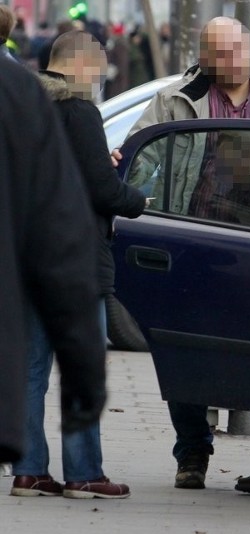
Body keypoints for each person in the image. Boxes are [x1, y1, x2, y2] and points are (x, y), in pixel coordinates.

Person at [122, 16, 250, 496]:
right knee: (186, 349)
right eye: (219, 53)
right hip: (196, 243)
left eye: (237, 51)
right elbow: (141, 159)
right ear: (205, 55)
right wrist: (122, 177)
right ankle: (192, 450)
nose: (230, 61)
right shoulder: (173, 101)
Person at [10, 30, 146, 499]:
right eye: (101, 64)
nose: (104, 74)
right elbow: (101, 191)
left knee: (30, 368)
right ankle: (84, 473)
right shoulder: (79, 109)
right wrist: (138, 199)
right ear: (81, 64)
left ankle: (28, 471)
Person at [0, 57, 106, 473]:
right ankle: (65, 470)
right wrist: (84, 374)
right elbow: (56, 236)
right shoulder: (17, 94)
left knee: (31, 371)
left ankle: (31, 470)